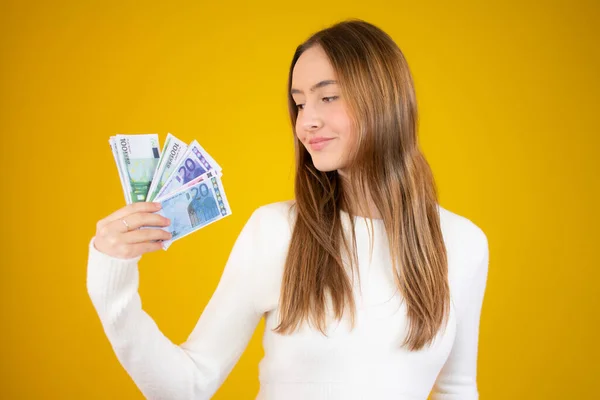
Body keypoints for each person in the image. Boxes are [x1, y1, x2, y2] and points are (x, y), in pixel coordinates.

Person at [87, 18, 489, 400]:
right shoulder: (275, 231)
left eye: (327, 97)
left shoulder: (464, 243)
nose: (306, 122)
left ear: (384, 100)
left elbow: (457, 389)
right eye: (299, 104)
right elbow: (187, 386)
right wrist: (112, 286)